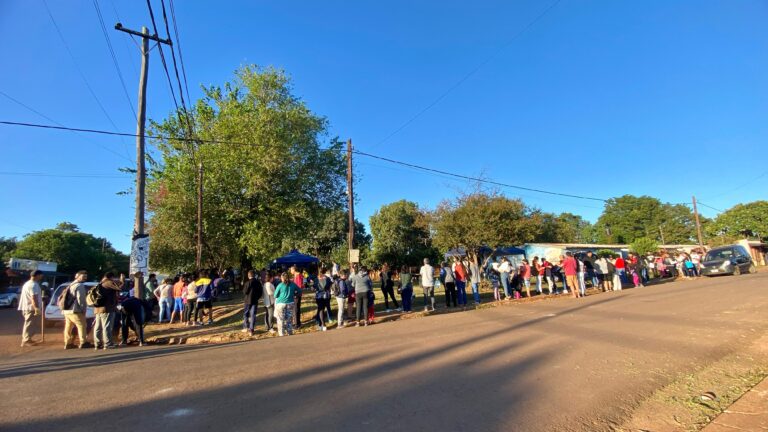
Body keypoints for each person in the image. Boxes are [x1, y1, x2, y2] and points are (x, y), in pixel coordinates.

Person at [93, 272, 124, 350]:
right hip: (107, 308)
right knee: (107, 326)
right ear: (111, 277)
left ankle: (97, 343)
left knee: (98, 327)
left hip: (98, 309)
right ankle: (108, 343)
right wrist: (122, 280)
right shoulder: (108, 282)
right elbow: (119, 288)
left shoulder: (100, 283)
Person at [62, 270, 89, 349]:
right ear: (77, 276)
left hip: (67, 309)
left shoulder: (70, 284)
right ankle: (83, 342)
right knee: (82, 325)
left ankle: (68, 343)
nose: (84, 278)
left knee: (68, 327)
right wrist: (83, 309)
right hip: (75, 310)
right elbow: (81, 299)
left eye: (86, 277)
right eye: (83, 276)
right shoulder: (80, 286)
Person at [18, 270, 43, 347]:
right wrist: (36, 308)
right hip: (31, 307)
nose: (41, 277)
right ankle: (26, 340)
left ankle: (28, 339)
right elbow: (33, 297)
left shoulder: (28, 283)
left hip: (27, 307)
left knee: (30, 323)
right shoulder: (33, 285)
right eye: (41, 275)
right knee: (29, 323)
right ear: (37, 275)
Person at [274, 272, 300, 336]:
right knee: (289, 319)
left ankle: (281, 333)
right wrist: (295, 294)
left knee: (280, 319)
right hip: (290, 303)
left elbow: (275, 295)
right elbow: (299, 290)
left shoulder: (280, 285)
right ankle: (289, 332)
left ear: (282, 278)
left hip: (280, 303)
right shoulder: (293, 284)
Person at [242, 270, 263, 335]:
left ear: (248, 276)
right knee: (253, 315)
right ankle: (251, 329)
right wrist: (257, 297)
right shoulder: (258, 282)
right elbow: (260, 292)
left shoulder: (247, 283)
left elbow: (245, 292)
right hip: (255, 300)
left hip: (247, 300)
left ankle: (246, 327)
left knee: (246, 314)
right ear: (254, 275)